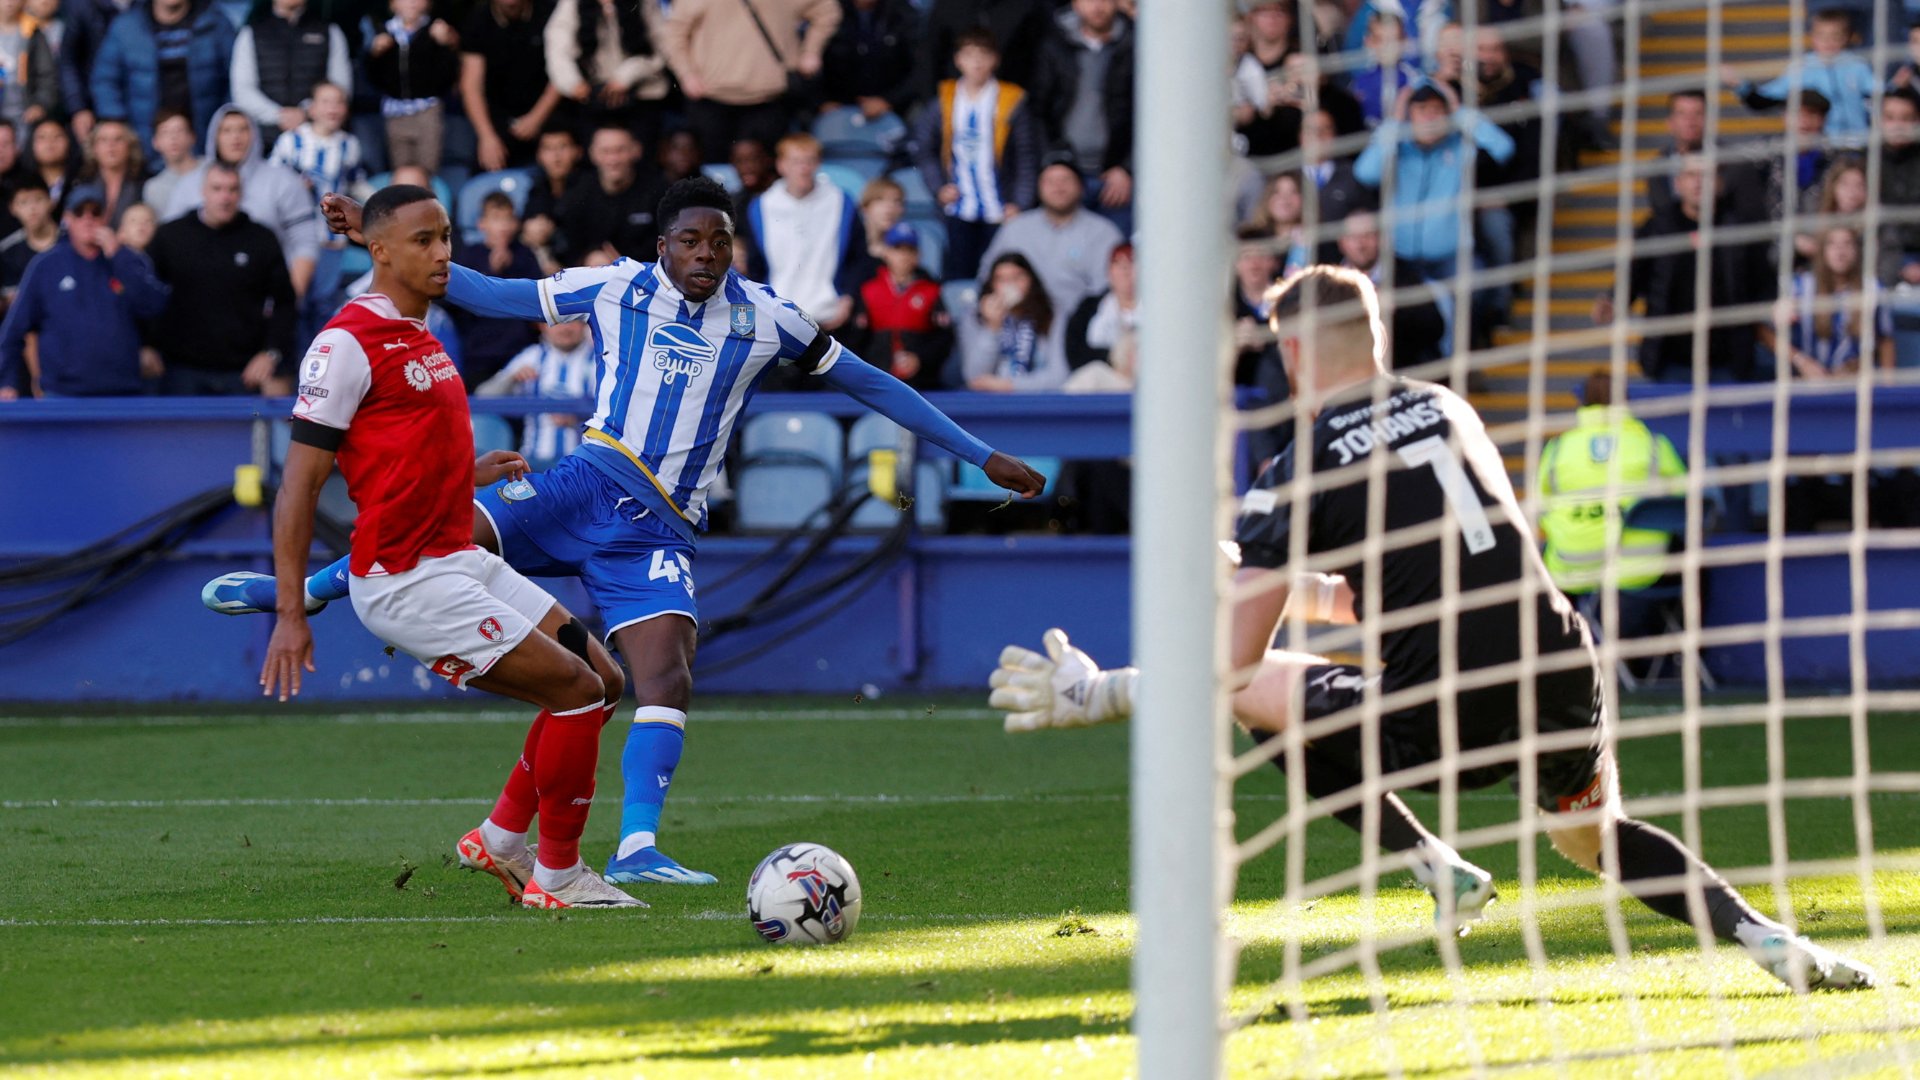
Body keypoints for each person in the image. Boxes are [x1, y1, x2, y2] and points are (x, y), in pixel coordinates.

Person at [987, 265, 1880, 992]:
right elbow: (1415, 582)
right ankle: (1765, 940)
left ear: (1293, 352)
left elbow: (1231, 667)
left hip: (1446, 702)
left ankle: (1430, 865)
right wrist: (1271, 573)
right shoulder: (1452, 411)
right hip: (1561, 662)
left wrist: (1108, 691)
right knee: (1591, 838)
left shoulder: (1299, 466)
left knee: (1259, 700)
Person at [260, 175, 1047, 889]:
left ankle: (635, 845)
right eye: (690, 241)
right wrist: (377, 229)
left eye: (720, 241)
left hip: (660, 528)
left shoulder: (769, 318)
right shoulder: (615, 287)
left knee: (661, 680)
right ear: (661, 246)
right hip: (585, 482)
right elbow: (498, 296)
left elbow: (871, 382)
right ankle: (316, 587)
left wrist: (980, 454)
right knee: (453, 537)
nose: (706, 255)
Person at [263, 183, 641, 910]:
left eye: (445, 237)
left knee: (605, 684)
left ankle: (500, 839)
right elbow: (299, 486)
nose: (443, 254)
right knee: (575, 693)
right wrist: (290, 610)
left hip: (459, 559)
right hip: (407, 580)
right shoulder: (344, 344)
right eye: (425, 241)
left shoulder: (424, 333)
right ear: (379, 252)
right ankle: (556, 879)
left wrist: (468, 472)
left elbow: (394, 455)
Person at [1591, 155, 1776, 383]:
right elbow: (1633, 276)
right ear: (1678, 184)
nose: (1698, 182)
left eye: (1706, 175)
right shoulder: (1657, 228)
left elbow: (1764, 284)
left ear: (1718, 183)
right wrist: (1614, 302)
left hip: (1728, 365)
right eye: (1691, 175)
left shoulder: (1739, 228)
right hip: (1671, 365)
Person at [1536, 370, 1687, 642]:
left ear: (1582, 403)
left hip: (1571, 569)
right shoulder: (1653, 445)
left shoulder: (1557, 448)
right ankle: (1678, 658)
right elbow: (1687, 502)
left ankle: (1561, 649)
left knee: (1542, 557)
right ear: (1626, 402)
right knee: (1694, 564)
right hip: (1641, 571)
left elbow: (1539, 508)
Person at [0, 189, 170, 398]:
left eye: (95, 212)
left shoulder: (128, 259)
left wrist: (117, 255)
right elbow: (14, 328)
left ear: (106, 216)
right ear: (67, 219)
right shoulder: (46, 265)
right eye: (79, 212)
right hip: (62, 394)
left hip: (123, 393)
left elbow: (154, 306)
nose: (88, 219)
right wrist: (6, 382)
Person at [146, 161, 297, 394]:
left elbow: (285, 302)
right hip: (180, 370)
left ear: (242, 193)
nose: (225, 197)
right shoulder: (171, 236)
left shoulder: (261, 239)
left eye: (232, 189)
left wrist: (270, 353)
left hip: (243, 372)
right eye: (217, 189)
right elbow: (143, 294)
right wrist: (146, 345)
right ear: (202, 192)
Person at [910, 27, 1038, 285]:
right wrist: (938, 187)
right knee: (958, 274)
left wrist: (1021, 202)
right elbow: (923, 147)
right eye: (969, 55)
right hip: (959, 207)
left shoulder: (1012, 101)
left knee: (996, 274)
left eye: (984, 55)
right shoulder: (945, 100)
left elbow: (1026, 156)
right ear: (958, 60)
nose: (977, 62)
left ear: (996, 59)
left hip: (1000, 207)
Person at [1353, 80, 1513, 286]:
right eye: (1421, 110)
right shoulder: (1396, 147)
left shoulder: (1461, 146)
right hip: (1400, 257)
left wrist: (1459, 110)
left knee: (1474, 285)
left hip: (1450, 257)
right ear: (1410, 115)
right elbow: (1365, 173)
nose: (1429, 117)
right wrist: (1395, 120)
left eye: (1437, 109)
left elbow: (1504, 148)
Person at [164, 104, 320, 300]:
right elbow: (170, 244)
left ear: (254, 134)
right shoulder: (188, 184)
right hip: (201, 305)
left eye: (242, 129)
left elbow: (305, 243)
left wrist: (289, 302)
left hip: (266, 300)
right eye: (227, 130)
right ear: (215, 136)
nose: (235, 137)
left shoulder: (283, 181)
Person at [657, 0, 840, 164]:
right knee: (709, 174)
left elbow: (827, 11)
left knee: (764, 173)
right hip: (710, 99)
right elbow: (673, 34)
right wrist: (686, 73)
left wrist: (811, 51)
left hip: (768, 100)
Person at [740, 132, 863, 330]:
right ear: (781, 165)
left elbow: (858, 256)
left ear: (818, 164)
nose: (804, 169)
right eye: (796, 162)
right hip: (779, 317)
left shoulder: (840, 202)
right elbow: (755, 265)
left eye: (810, 161)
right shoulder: (761, 206)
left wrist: (848, 299)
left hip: (831, 316)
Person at [1029, 0, 1133, 232]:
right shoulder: (1054, 44)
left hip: (1114, 177)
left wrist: (1127, 169)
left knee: (1116, 257)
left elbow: (1150, 115)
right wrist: (1052, 163)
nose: (1097, 6)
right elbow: (1038, 109)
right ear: (1075, 4)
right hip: (1064, 168)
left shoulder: (1135, 45)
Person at [89, 0, 235, 157]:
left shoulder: (216, 23)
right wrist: (119, 123)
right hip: (143, 143)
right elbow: (104, 80)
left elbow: (234, 79)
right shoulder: (126, 26)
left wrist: (223, 125)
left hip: (204, 141)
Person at [977, 154, 1121, 312]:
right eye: (1050, 181)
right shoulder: (1015, 228)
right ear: (1039, 187)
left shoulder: (1103, 232)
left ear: (1081, 187)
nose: (1058, 188)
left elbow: (1108, 291)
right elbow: (987, 275)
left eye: (1066, 180)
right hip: (1020, 322)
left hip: (1078, 324)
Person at [1726, 9, 1876, 144]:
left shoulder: (1858, 66)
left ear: (1847, 38)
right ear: (1812, 37)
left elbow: (1880, 97)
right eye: (1821, 35)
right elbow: (1764, 100)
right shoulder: (1801, 68)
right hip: (1819, 147)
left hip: (1858, 143)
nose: (1828, 42)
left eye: (1835, 36)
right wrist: (1741, 86)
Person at [474, 317, 596, 469]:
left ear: (584, 324)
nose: (564, 328)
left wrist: (577, 421)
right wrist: (511, 379)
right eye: (556, 323)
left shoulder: (600, 359)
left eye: (571, 321)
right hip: (533, 461)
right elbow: (482, 397)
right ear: (541, 326)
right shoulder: (531, 356)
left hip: (585, 464)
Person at [544, 0, 668, 147]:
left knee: (640, 156)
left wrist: (626, 76)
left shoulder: (645, 3)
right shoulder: (572, 4)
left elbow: (663, 46)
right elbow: (557, 49)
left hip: (642, 97)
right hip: (592, 98)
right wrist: (572, 83)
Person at [1335, 209, 1446, 372]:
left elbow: (1435, 328)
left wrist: (1396, 310)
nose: (1360, 244)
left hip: (1401, 372)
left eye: (1368, 236)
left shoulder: (1405, 275)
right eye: (1353, 237)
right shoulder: (1328, 281)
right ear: (1341, 242)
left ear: (1380, 239)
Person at [228, 0, 352, 146]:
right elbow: (242, 90)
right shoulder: (251, 33)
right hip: (263, 140)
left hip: (320, 140)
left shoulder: (329, 32)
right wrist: (278, 116)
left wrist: (306, 112)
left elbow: (341, 88)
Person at [453, 189, 542, 386]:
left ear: (516, 224)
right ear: (481, 223)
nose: (503, 226)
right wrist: (489, 270)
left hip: (520, 353)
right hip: (479, 355)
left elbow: (537, 297)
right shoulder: (469, 256)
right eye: (495, 219)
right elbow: (462, 301)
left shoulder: (525, 255)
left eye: (507, 219)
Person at [460, 0, 563, 172]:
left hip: (549, 112)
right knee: (486, 167)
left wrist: (537, 117)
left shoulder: (550, 12)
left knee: (562, 164)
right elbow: (471, 86)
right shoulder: (477, 21)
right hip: (498, 117)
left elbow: (562, 71)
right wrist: (486, 136)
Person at [1779, 227, 1893, 378]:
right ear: (1822, 250)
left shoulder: (1873, 289)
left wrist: (1887, 384)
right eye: (1832, 244)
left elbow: (1885, 340)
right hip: (1807, 385)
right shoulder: (1798, 287)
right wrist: (1801, 361)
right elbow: (1766, 330)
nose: (1841, 251)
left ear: (1857, 250)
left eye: (1847, 244)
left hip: (1855, 384)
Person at [849, 222, 950, 389]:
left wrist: (919, 359)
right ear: (886, 253)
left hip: (921, 382)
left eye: (909, 250)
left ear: (918, 255)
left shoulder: (931, 291)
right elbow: (857, 339)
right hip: (875, 379)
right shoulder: (869, 290)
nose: (903, 256)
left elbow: (943, 338)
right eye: (897, 249)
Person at [366, 0, 461, 172]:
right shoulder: (383, 31)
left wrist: (445, 46)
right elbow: (372, 77)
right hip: (394, 111)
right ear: (393, 4)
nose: (413, 3)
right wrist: (375, 54)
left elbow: (449, 75)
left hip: (427, 109)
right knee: (400, 170)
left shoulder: (435, 30)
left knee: (428, 171)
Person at [551, 123, 666, 263]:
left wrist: (626, 266)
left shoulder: (658, 192)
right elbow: (565, 244)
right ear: (592, 153)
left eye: (620, 150)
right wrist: (588, 258)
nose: (613, 159)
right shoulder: (576, 193)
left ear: (636, 150)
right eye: (605, 151)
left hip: (646, 277)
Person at [958, 250, 1067, 390]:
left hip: (1039, 401)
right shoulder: (976, 316)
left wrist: (1009, 386)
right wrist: (992, 329)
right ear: (991, 284)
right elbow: (974, 377)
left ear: (1031, 280)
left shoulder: (1053, 315)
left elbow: (1059, 377)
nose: (1010, 286)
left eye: (1017, 278)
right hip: (990, 403)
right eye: (1001, 279)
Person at [916, 0, 1051, 102]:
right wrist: (933, 105)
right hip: (954, 104)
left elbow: (1039, 60)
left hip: (1011, 105)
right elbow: (931, 59)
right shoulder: (948, 6)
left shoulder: (1027, 6)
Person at [819, 0, 919, 120]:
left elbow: (921, 69)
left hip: (896, 109)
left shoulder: (903, 14)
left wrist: (888, 100)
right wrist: (822, 101)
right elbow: (810, 64)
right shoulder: (828, 11)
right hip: (838, 108)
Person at [521, 124, 588, 269]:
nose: (556, 156)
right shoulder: (538, 187)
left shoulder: (591, 187)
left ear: (578, 151)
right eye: (549, 148)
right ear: (539, 155)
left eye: (563, 147)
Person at [1064, 240, 1132, 373]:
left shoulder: (1159, 308)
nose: (1125, 272)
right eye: (1118, 264)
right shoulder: (1090, 306)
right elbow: (1076, 352)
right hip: (1106, 377)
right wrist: (1111, 357)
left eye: (1131, 264)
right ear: (1109, 271)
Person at [1347, 11, 1422, 127]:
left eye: (1393, 40)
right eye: (1379, 40)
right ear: (1368, 41)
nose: (1386, 47)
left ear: (1404, 40)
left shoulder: (1415, 80)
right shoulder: (1359, 82)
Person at [1877, 88, 1920, 284]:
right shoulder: (1863, 162)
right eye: (1890, 117)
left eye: (1906, 118)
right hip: (1878, 259)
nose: (1898, 125)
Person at [0, 174, 59, 304]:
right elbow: (13, 302)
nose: (32, 208)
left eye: (38, 199)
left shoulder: (71, 242)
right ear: (12, 208)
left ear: (51, 201)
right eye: (23, 202)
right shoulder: (7, 250)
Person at [77, 118, 146, 226]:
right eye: (103, 140)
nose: (110, 145)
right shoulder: (81, 183)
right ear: (94, 148)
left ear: (130, 146)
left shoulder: (145, 184)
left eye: (118, 139)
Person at [141, 107, 200, 210]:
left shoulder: (212, 170)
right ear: (155, 142)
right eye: (165, 132)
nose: (173, 137)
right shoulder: (153, 188)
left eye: (179, 131)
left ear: (192, 137)